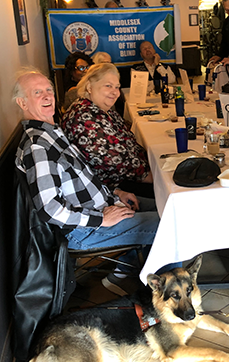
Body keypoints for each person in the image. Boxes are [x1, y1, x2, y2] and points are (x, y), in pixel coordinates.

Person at [14, 69, 164, 296]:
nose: (47, 96)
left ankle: (127, 269)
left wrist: (116, 193)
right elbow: (49, 208)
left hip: (104, 206)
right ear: (22, 102)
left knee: (168, 205)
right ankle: (169, 297)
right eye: (37, 92)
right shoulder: (38, 146)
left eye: (48, 90)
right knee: (169, 225)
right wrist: (101, 218)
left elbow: (84, 176)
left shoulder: (51, 133)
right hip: (84, 230)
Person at [62, 63, 153, 195]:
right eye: (108, 86)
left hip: (129, 176)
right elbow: (112, 163)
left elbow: (128, 144)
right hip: (112, 188)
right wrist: (151, 177)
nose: (115, 92)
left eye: (117, 87)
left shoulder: (101, 110)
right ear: (89, 87)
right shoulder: (84, 117)